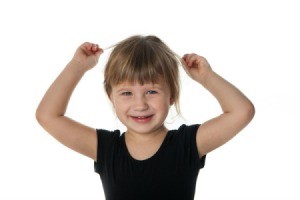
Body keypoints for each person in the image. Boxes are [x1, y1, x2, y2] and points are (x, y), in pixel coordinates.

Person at [36, 35, 255, 200]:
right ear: (111, 97)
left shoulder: (188, 144)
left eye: (151, 91)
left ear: (172, 95)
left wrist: (207, 77)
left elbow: (241, 111)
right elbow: (48, 115)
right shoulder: (106, 148)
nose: (140, 104)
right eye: (126, 93)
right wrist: (77, 67)